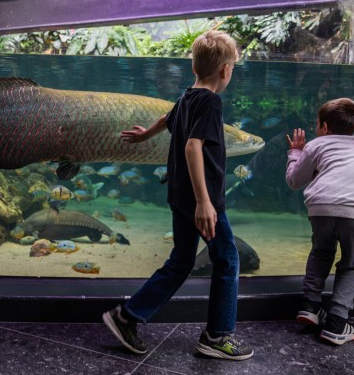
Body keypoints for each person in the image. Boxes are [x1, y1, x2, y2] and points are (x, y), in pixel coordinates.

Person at [102, 30, 254, 361]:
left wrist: (147, 135)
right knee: (228, 260)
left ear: (195, 67)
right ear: (225, 70)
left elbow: (168, 117)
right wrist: (204, 201)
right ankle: (217, 335)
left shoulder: (188, 96)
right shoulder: (211, 102)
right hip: (205, 201)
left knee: (182, 261)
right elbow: (192, 145)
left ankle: (126, 316)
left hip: (180, 195)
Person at [286, 97, 354, 345]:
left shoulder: (316, 145)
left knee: (321, 253)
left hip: (322, 208)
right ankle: (337, 320)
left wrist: (295, 152)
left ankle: (311, 305)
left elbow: (294, 181)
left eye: (317, 123)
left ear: (324, 127)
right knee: (351, 263)